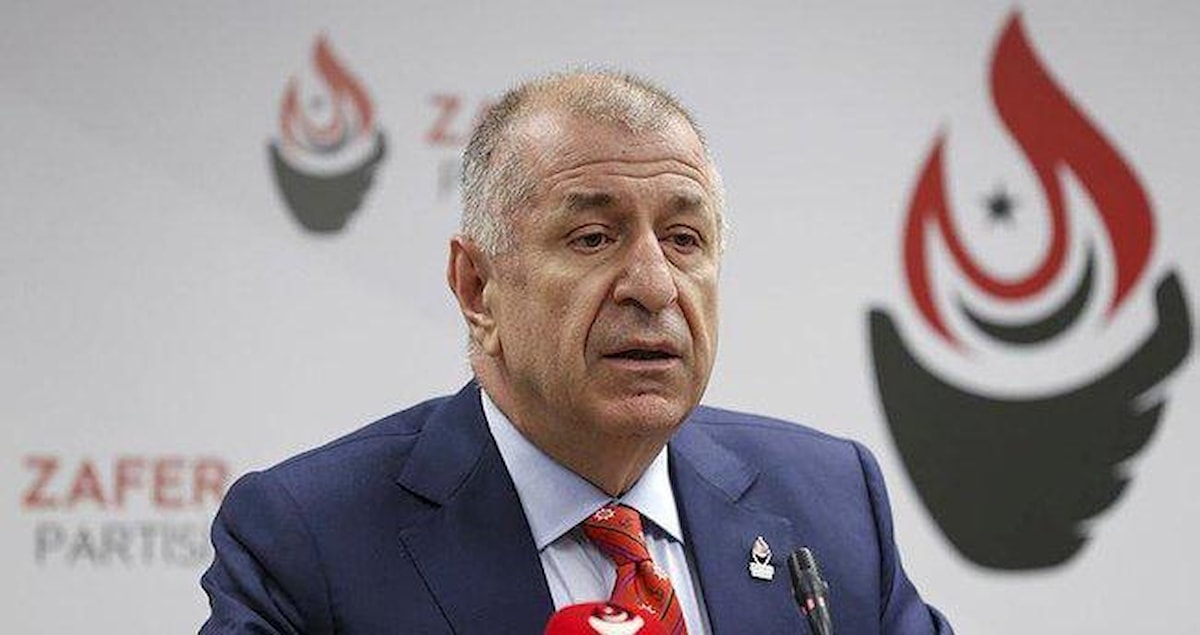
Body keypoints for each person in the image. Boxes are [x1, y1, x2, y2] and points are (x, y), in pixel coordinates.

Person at [200, 71, 952, 634]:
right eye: (593, 238)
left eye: (684, 239)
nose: (654, 285)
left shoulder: (831, 502)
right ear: (477, 288)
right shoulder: (309, 539)